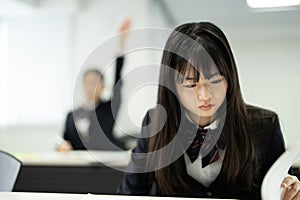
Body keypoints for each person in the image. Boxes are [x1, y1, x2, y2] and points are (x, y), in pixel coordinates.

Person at [117, 22, 300, 199]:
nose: (204, 95)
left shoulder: (265, 126)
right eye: (190, 83)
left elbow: (280, 190)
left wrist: (289, 193)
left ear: (230, 78)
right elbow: (128, 194)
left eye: (214, 80)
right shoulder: (155, 123)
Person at [57, 19, 131, 151]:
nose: (90, 87)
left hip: (104, 163)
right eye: (87, 83)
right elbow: (65, 142)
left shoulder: (109, 109)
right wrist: (62, 146)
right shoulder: (71, 115)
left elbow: (118, 84)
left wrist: (122, 43)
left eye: (95, 83)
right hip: (79, 165)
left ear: (103, 86)